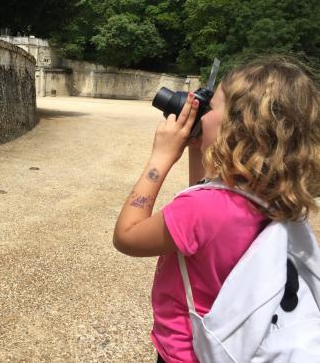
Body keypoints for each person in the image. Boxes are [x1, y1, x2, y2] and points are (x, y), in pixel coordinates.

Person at [112, 57, 320, 363]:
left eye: (211, 109)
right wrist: (197, 148)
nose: (203, 115)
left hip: (186, 352)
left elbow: (126, 237)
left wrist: (160, 158)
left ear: (235, 128)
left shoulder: (203, 210)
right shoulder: (274, 196)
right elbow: (205, 194)